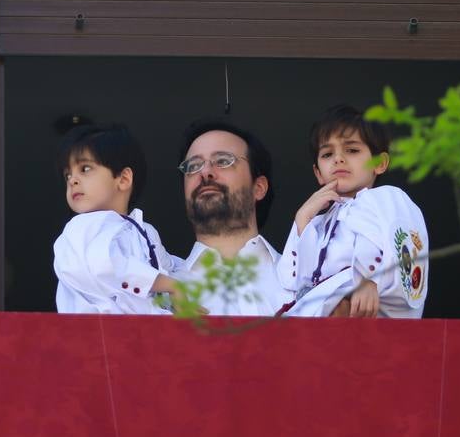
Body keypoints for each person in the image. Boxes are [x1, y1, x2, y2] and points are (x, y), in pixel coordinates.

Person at [277, 105, 429, 318]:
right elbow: (292, 282)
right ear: (318, 173)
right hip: (323, 314)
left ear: (380, 163)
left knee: (338, 307)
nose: (338, 159)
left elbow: (401, 239)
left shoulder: (387, 198)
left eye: (352, 150)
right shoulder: (318, 222)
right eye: (327, 154)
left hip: (369, 308)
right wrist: (303, 219)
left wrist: (370, 280)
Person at [52, 123, 183, 314]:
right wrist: (169, 284)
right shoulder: (80, 227)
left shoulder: (145, 230)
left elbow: (170, 267)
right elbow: (105, 266)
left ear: (123, 179)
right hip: (96, 335)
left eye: (85, 169)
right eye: (67, 175)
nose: (73, 180)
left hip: (141, 335)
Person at [174, 118, 292, 316]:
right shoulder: (162, 291)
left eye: (222, 161)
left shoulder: (303, 281)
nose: (205, 172)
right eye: (193, 166)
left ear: (259, 188)